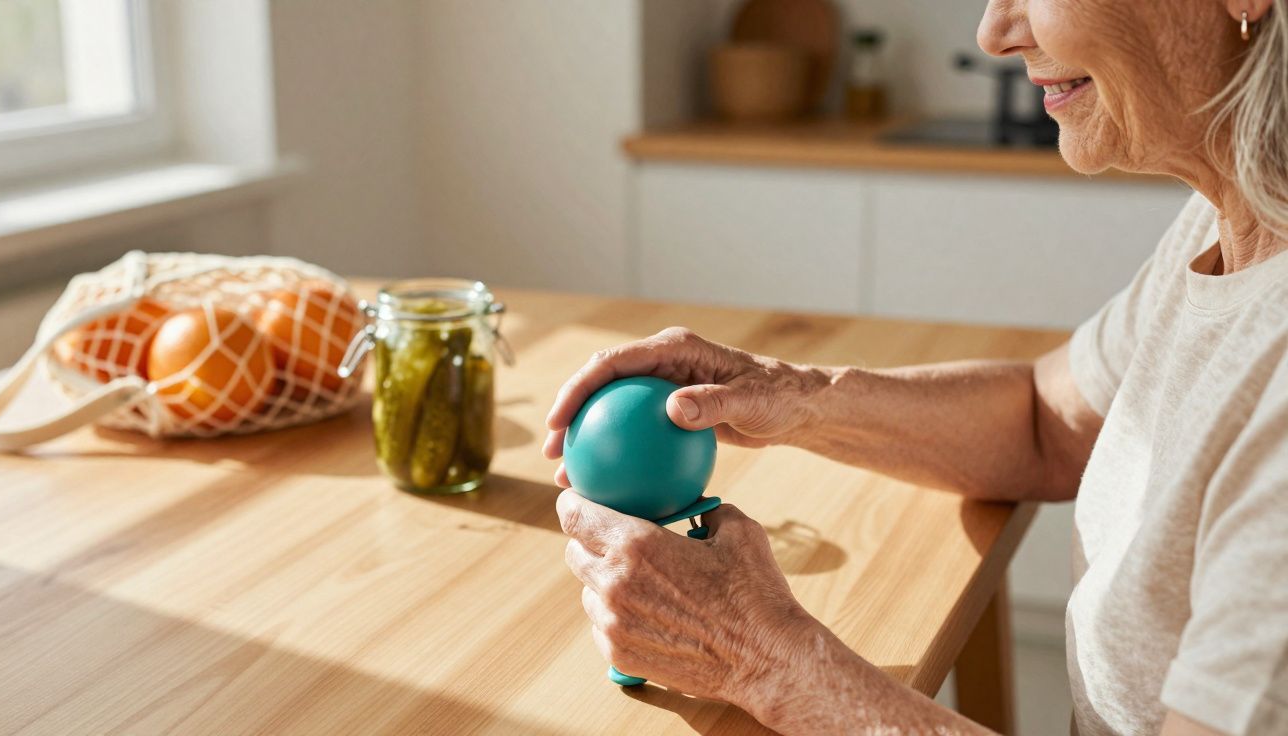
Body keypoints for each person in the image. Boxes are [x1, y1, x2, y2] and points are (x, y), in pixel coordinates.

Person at [544, 0, 1288, 733]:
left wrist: (765, 660)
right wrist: (791, 395)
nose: (994, 33)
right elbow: (1048, 421)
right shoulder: (1234, 215)